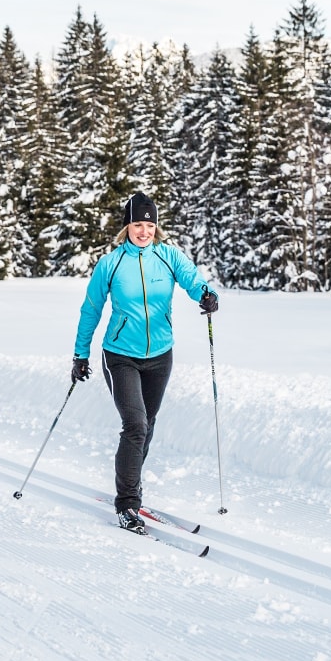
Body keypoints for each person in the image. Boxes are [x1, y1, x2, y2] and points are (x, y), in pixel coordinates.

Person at [73, 193, 219, 534]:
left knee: (147, 425)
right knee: (135, 424)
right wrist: (80, 354)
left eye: (149, 224)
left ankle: (132, 488)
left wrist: (207, 295)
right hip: (120, 355)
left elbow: (192, 279)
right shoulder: (111, 263)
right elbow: (91, 309)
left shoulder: (168, 257)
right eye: (137, 224)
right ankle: (126, 503)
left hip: (160, 356)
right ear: (127, 226)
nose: (144, 231)